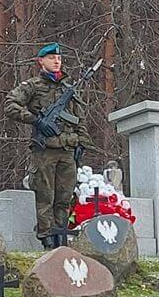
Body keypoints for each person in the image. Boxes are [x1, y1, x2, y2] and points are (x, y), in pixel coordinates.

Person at [5, 43, 93, 247]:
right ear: (41, 61)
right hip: (45, 150)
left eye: (59, 58)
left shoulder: (69, 89)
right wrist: (36, 121)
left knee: (65, 197)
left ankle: (61, 237)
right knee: (45, 197)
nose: (56, 61)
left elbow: (79, 119)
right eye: (52, 58)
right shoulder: (33, 86)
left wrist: (82, 144)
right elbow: (10, 104)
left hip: (67, 151)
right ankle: (47, 240)